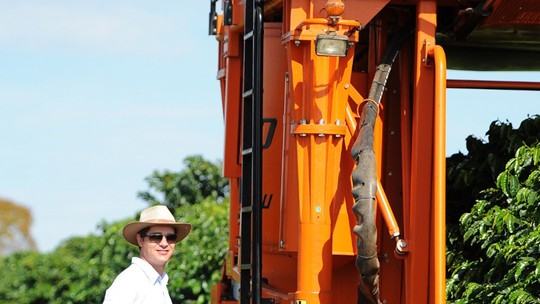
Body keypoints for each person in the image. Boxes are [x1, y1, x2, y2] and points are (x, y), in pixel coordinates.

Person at [103, 205, 191, 304]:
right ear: (140, 239)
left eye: (170, 237)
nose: (164, 243)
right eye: (156, 237)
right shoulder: (128, 283)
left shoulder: (160, 282)